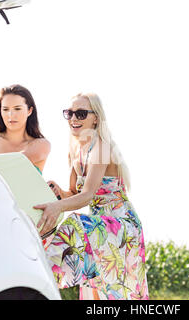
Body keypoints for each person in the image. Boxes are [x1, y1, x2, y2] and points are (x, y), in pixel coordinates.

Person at [34, 93, 149, 300]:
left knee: (75, 225)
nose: (73, 119)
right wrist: (59, 193)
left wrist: (57, 206)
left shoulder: (102, 146)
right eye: (69, 113)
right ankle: (39, 274)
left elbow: (87, 196)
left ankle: (39, 275)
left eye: (81, 113)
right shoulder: (75, 150)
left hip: (121, 224)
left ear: (95, 118)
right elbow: (75, 193)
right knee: (95, 287)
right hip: (99, 225)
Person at [0, 84, 51, 174]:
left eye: (17, 109)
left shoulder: (41, 145)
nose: (10, 115)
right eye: (5, 109)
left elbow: (15, 163)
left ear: (29, 111)